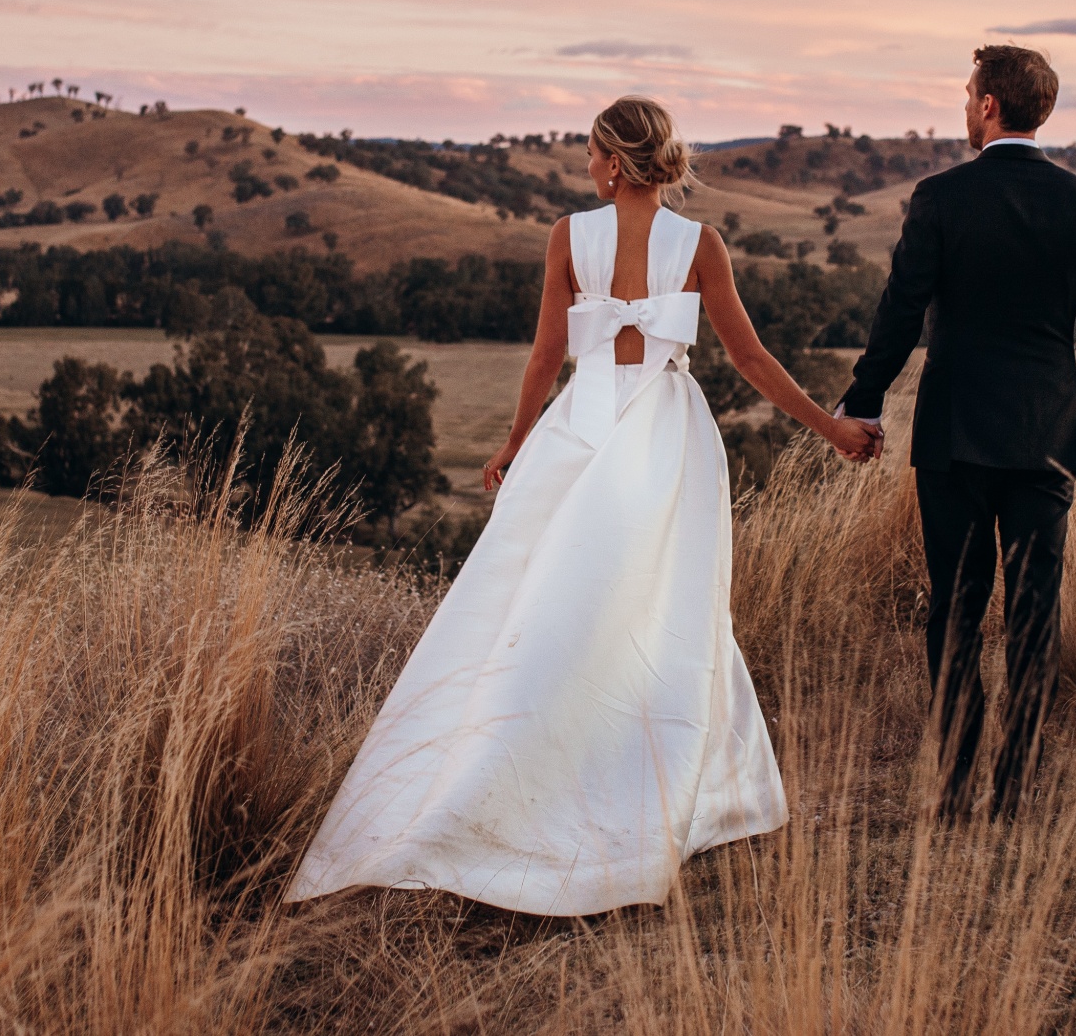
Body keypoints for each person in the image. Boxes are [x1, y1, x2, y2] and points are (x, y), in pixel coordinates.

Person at [287, 96, 879, 916]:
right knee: (664, 608)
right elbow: (748, 356)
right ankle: (664, 779)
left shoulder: (569, 236)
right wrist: (829, 427)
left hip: (583, 425)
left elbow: (545, 357)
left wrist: (514, 441)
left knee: (539, 603)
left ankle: (508, 773)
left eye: (590, 152)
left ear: (612, 160)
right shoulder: (700, 244)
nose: (584, 166)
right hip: (666, 433)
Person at [835, 45, 1076, 823]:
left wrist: (863, 403)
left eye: (970, 95)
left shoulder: (940, 198)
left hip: (956, 433)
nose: (965, 107)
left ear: (992, 105)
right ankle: (1016, 789)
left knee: (956, 610)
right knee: (1037, 613)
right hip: (1047, 435)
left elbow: (901, 311)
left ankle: (959, 784)